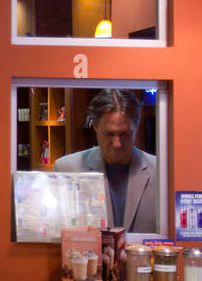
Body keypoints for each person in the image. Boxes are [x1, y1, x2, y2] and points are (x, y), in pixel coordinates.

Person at [54, 89, 157, 232]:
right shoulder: (67, 169)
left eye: (125, 134)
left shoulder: (159, 171)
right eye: (109, 134)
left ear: (137, 128)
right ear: (95, 127)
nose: (117, 143)